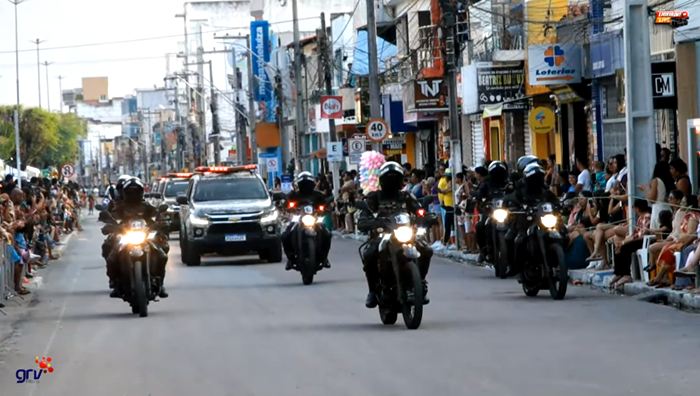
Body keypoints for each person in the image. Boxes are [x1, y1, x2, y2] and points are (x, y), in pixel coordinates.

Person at [358, 162, 434, 308]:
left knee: (426, 250)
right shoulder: (374, 197)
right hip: (383, 234)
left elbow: (419, 210)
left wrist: (427, 216)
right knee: (369, 254)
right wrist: (368, 221)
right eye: (389, 179)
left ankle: (421, 282)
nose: (392, 183)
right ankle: (373, 290)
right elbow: (365, 213)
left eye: (395, 179)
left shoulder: (406, 196)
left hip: (405, 232)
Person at [104, 177, 170, 299]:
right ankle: (115, 282)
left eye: (135, 192)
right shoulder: (119, 207)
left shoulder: (147, 207)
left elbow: (158, 216)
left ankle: (160, 283)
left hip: (145, 236)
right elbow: (111, 219)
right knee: (112, 256)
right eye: (130, 192)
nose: (133, 195)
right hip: (126, 236)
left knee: (162, 255)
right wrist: (110, 225)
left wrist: (162, 223)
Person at [504, 160, 560, 276]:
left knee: (563, 234)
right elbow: (512, 201)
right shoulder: (520, 192)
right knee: (517, 240)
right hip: (526, 222)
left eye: (538, 178)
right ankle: (516, 267)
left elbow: (555, 201)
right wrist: (514, 208)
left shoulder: (545, 192)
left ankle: (561, 264)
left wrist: (562, 205)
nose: (536, 181)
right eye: (533, 178)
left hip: (543, 221)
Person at [282, 172, 332, 271]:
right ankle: (290, 259)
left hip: (314, 219)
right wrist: (287, 208)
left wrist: (326, 208)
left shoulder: (318, 195)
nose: (306, 186)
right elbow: (285, 204)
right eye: (303, 184)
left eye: (308, 183)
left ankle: (324, 257)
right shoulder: (293, 195)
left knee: (327, 234)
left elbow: (325, 204)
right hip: (298, 219)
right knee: (285, 236)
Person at [648, 194, 699, 287]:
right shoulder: (684, 214)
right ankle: (663, 278)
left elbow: (691, 234)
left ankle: (661, 277)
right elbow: (676, 231)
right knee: (665, 247)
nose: (681, 204)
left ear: (689, 205)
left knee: (668, 249)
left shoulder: (692, 216)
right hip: (679, 240)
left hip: (686, 242)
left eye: (684, 202)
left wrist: (683, 243)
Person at [609, 199, 653, 289]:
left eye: (633, 207)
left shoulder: (647, 217)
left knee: (625, 248)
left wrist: (625, 242)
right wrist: (622, 242)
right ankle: (618, 273)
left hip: (643, 240)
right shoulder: (640, 218)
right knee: (618, 246)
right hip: (637, 239)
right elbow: (635, 233)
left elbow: (641, 234)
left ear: (637, 208)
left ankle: (627, 274)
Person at [638, 160, 673, 228]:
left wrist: (644, 189)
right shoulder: (668, 181)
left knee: (657, 230)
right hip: (667, 207)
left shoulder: (656, 180)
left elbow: (652, 199)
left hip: (658, 208)